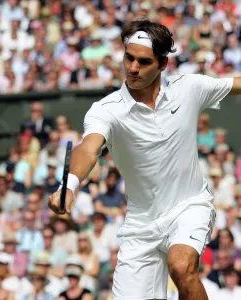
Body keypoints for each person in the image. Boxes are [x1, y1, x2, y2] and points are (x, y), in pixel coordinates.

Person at [49, 19, 241, 300]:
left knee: (181, 265)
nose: (133, 68)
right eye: (128, 58)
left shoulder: (189, 87)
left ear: (162, 65)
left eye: (143, 61)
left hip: (190, 205)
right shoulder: (106, 110)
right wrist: (71, 184)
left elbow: (236, 84)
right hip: (141, 225)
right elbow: (88, 149)